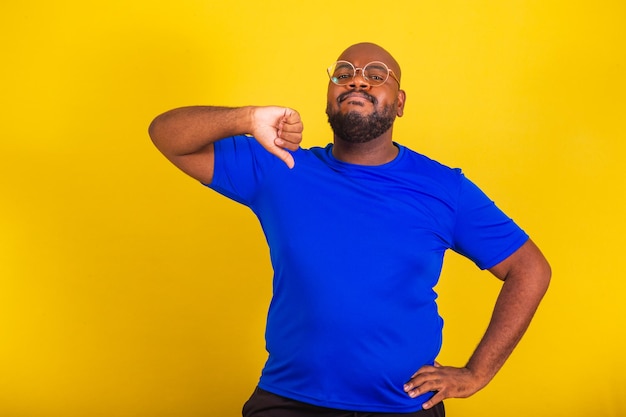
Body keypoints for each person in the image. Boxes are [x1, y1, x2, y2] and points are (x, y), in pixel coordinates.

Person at [148, 42, 551, 417]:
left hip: (403, 405)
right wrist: (248, 118)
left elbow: (529, 268)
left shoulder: (445, 188)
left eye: (377, 75)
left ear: (400, 103)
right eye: (343, 73)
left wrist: (475, 374)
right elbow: (167, 135)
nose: (357, 79)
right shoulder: (281, 168)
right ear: (329, 95)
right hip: (288, 401)